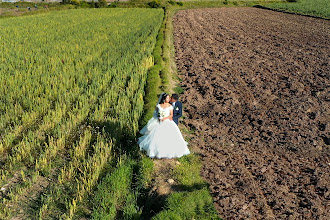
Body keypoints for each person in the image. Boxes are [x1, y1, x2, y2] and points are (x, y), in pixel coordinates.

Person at [138, 93, 190, 159]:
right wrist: (158, 117)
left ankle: (169, 151)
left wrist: (165, 118)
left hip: (168, 122)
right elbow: (155, 113)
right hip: (160, 122)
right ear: (164, 99)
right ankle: (157, 151)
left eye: (169, 98)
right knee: (157, 136)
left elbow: (171, 115)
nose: (169, 99)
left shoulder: (170, 106)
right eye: (167, 98)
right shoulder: (159, 106)